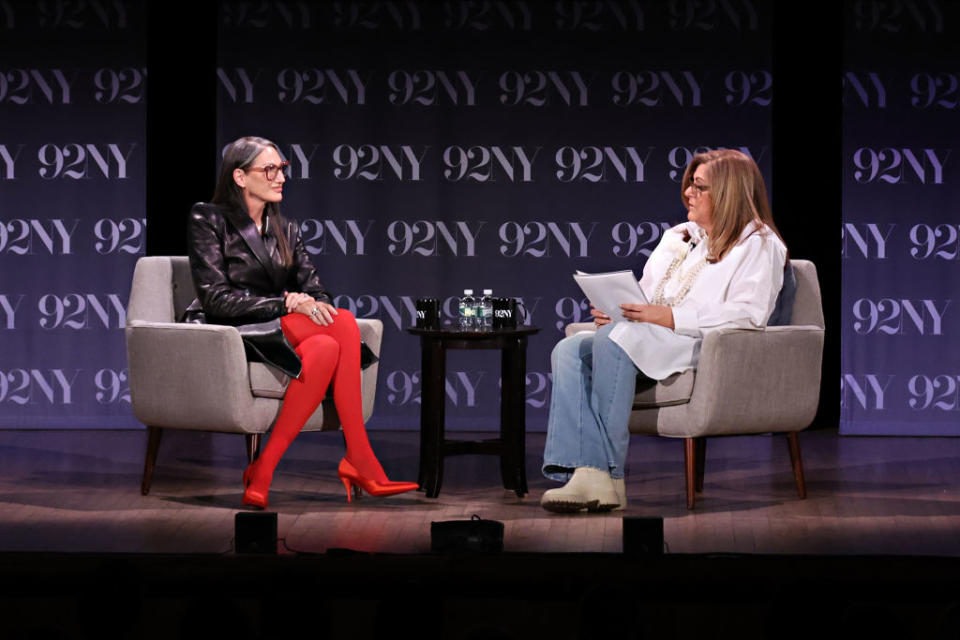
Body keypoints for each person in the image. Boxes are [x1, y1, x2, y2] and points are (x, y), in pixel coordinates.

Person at [540, 149, 788, 512]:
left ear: (729, 194)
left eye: (699, 187)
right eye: (690, 184)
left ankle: (605, 475)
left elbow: (748, 314)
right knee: (568, 350)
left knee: (611, 342)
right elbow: (648, 293)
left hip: (699, 345)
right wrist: (621, 311)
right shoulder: (679, 237)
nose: (689, 193)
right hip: (647, 336)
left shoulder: (759, 245)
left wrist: (669, 318)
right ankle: (586, 472)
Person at [185, 136, 418, 508]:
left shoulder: (286, 228)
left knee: (327, 342)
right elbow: (216, 299)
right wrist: (287, 303)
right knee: (341, 324)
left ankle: (263, 470)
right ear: (240, 177)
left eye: (283, 169)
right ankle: (359, 457)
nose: (281, 178)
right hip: (229, 330)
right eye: (270, 169)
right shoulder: (208, 217)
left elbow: (319, 293)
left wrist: (309, 304)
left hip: (276, 331)